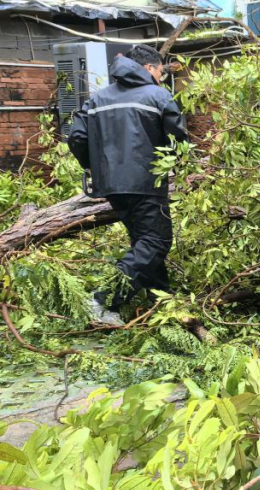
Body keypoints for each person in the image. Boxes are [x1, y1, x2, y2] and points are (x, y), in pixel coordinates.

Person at [68, 44, 188, 325]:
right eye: (160, 71)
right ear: (148, 68)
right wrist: (176, 163)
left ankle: (161, 300)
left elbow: (77, 138)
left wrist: (95, 166)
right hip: (146, 181)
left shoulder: (98, 98)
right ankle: (102, 300)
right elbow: (178, 136)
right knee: (156, 241)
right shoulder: (158, 95)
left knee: (143, 240)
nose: (161, 77)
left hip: (110, 184)